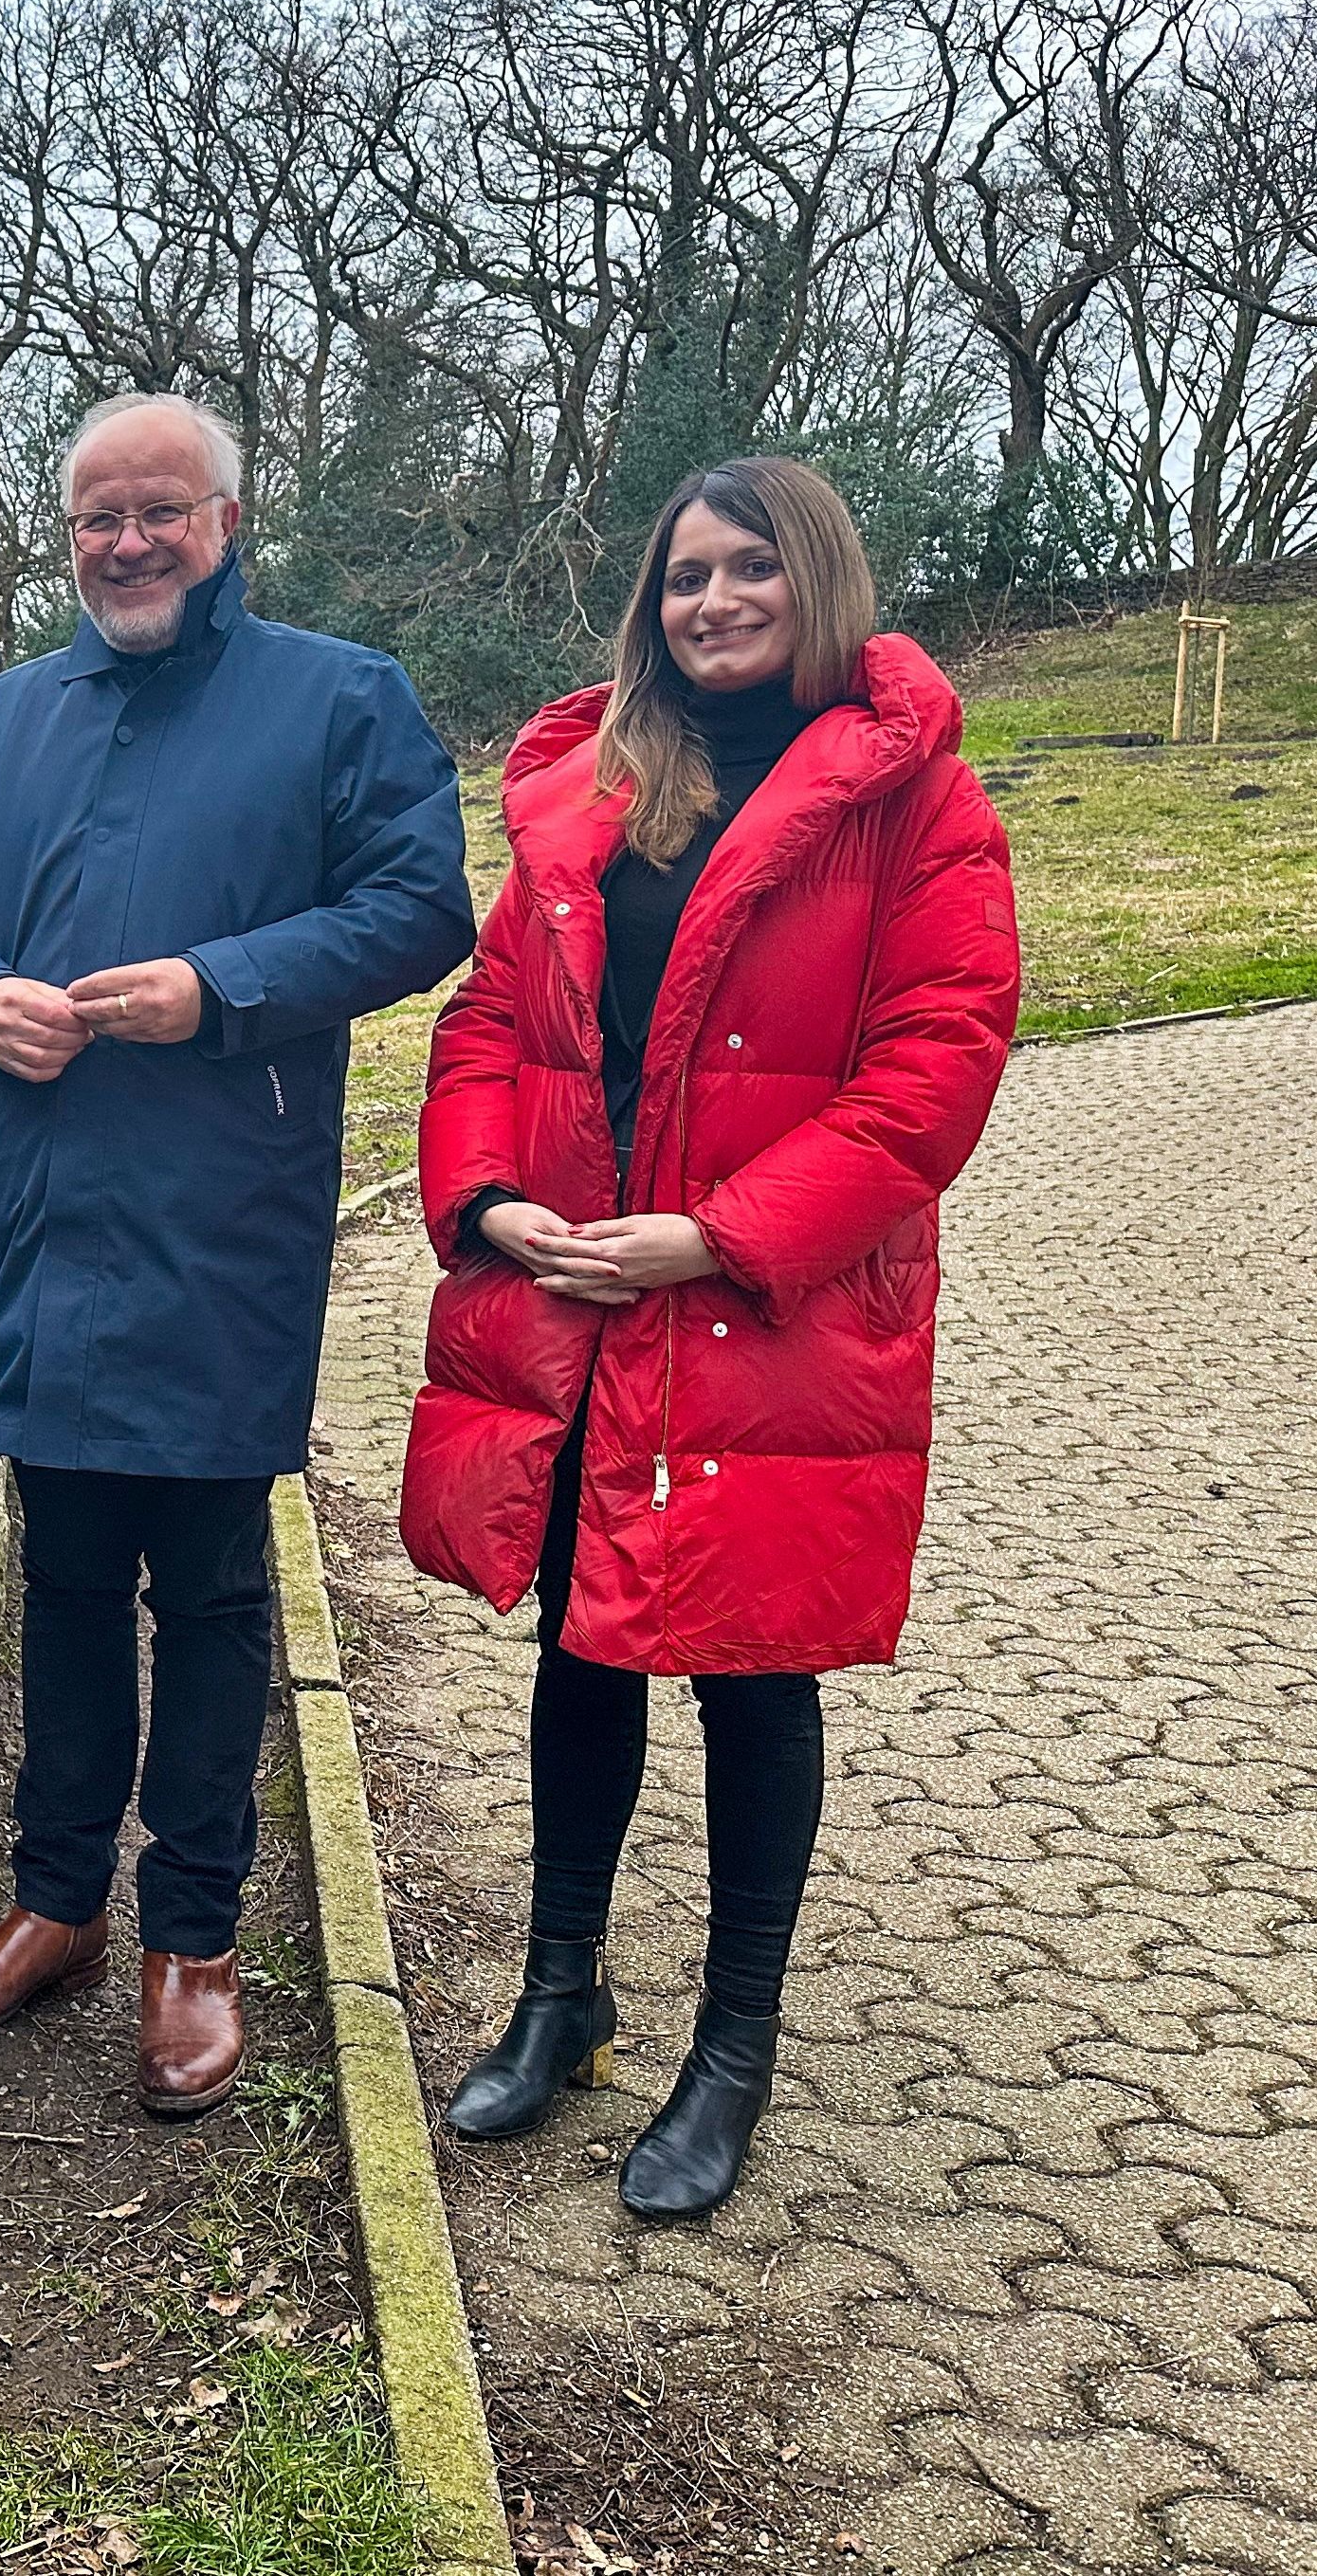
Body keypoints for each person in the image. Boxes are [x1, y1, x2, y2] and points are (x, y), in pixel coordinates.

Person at [400, 455, 1017, 2221]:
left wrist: (720, 1235)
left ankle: (730, 2048)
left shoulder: (914, 804)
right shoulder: (597, 789)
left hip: (767, 1311)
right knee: (583, 1649)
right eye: (684, 576)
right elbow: (489, 1022)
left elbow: (931, 1073)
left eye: (749, 569)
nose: (714, 601)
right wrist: (485, 1200)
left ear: (812, 579)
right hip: (588, 1292)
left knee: (753, 1672)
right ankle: (561, 1990)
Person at [0, 391, 476, 2114]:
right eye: (95, 519)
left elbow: (420, 903)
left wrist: (223, 985)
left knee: (210, 1594)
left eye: (159, 514)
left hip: (226, 1214)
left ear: (225, 521)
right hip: (53, 1207)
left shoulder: (337, 696)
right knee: (61, 1578)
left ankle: (190, 1940)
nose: (126, 544)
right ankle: (53, 1901)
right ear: (65, 536)